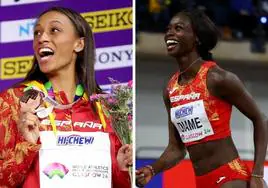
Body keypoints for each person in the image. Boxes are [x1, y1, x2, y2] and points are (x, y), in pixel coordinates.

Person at [0, 7, 132, 188]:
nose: (42, 38)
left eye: (54, 30)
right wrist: (26, 146)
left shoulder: (107, 110)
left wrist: (123, 170)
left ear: (79, 44)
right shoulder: (13, 102)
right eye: (37, 32)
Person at [136, 9, 268, 188]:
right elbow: (176, 149)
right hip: (201, 181)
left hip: (230, 176)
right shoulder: (170, 89)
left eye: (178, 28)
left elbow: (260, 119)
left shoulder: (217, 78)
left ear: (196, 38)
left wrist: (258, 173)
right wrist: (152, 169)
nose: (169, 33)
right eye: (168, 29)